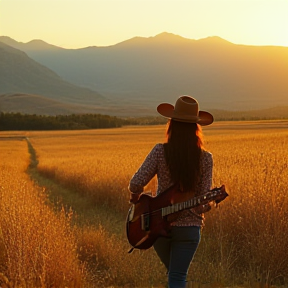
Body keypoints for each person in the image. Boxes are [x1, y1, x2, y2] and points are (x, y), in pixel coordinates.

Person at [128, 95, 214, 288]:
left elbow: (136, 183)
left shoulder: (160, 151)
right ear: (196, 129)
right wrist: (208, 204)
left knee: (174, 276)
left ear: (171, 125)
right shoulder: (206, 159)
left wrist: (136, 197)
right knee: (177, 277)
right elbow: (201, 206)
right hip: (190, 229)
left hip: (157, 225)